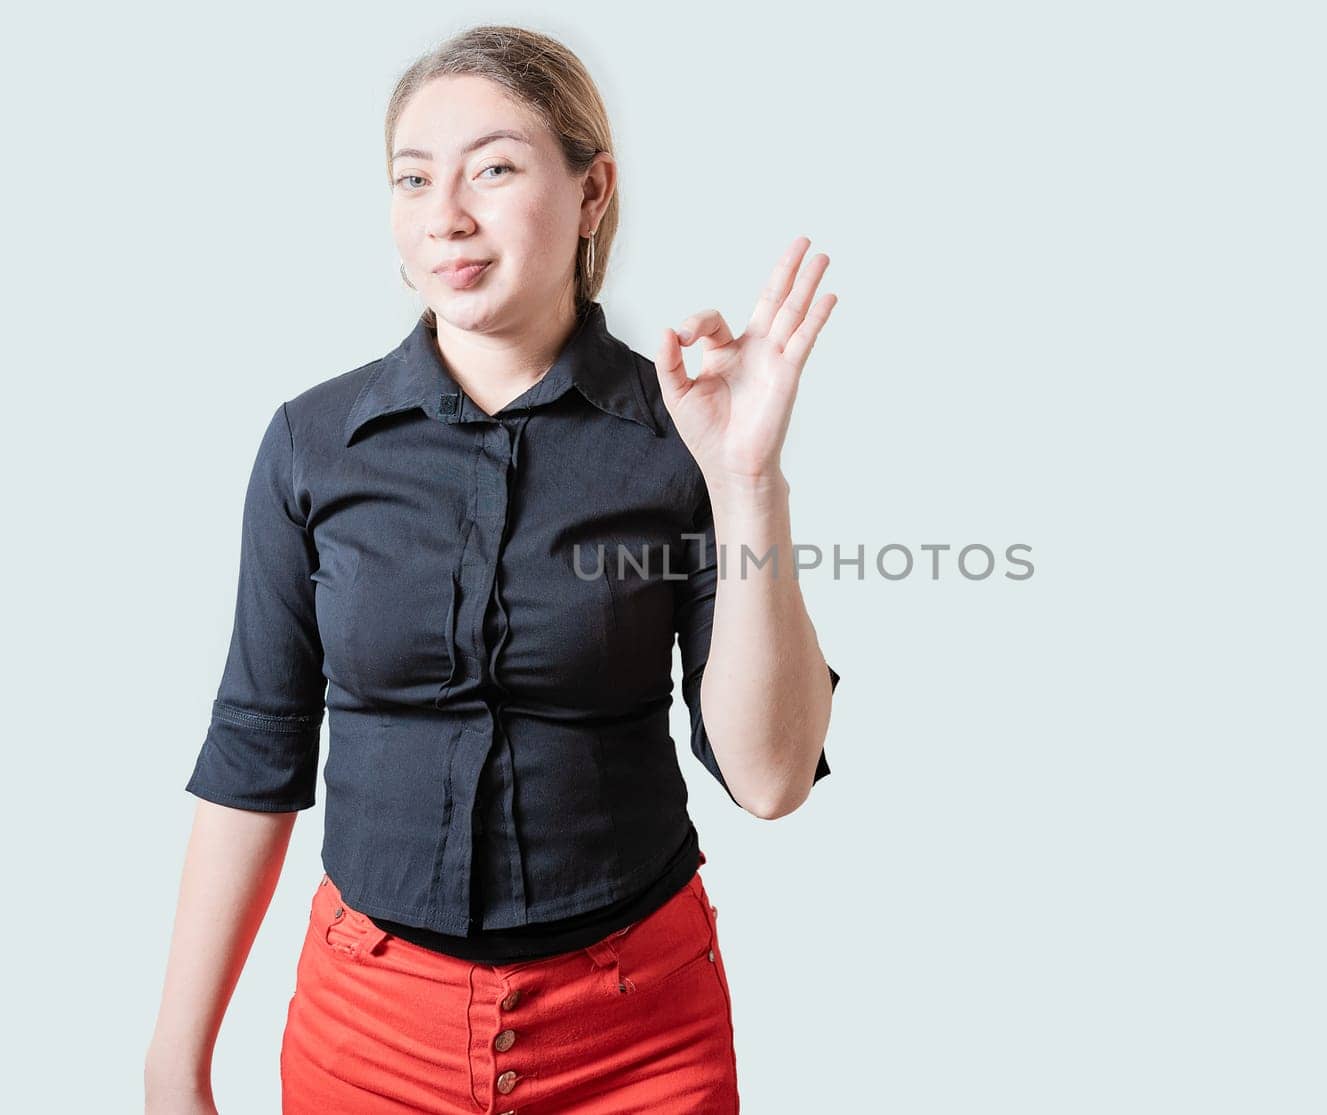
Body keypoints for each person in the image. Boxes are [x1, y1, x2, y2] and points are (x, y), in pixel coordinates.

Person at [145, 24, 841, 1115]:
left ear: (591, 190)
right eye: (414, 179)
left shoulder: (685, 437)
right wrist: (173, 1064)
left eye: (495, 168)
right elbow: (254, 746)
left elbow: (771, 776)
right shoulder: (310, 443)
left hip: (636, 1035)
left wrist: (748, 478)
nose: (445, 216)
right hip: (368, 1033)